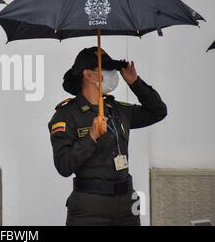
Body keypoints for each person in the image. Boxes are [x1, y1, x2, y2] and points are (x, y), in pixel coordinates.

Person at [48, 47, 167, 226]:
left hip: (127, 204)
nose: (113, 74)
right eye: (107, 69)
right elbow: (64, 166)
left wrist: (135, 82)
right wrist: (91, 137)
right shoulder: (66, 115)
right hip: (89, 208)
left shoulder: (117, 110)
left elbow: (158, 111)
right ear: (88, 74)